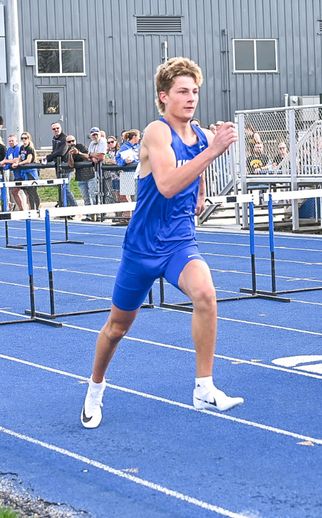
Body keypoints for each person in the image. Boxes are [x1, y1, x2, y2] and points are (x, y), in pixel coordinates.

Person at [81, 57, 242, 429]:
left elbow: (194, 172)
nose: (191, 98)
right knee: (117, 328)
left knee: (205, 294)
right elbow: (168, 185)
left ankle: (204, 386)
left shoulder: (199, 136)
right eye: (182, 92)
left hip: (179, 243)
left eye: (195, 92)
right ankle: (95, 389)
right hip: (142, 248)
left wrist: (201, 191)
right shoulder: (156, 132)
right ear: (163, 96)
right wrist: (214, 150)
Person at [44, 122, 78, 207]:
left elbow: (61, 152)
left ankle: (74, 207)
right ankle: (65, 207)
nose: (56, 130)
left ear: (61, 128)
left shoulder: (64, 138)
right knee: (61, 188)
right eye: (54, 129)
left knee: (65, 188)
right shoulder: (54, 139)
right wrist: (47, 159)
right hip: (58, 166)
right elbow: (54, 151)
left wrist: (48, 157)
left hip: (66, 166)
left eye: (57, 128)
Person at [15, 132, 40, 209]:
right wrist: (17, 162)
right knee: (28, 192)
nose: (23, 140)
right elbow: (20, 157)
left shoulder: (30, 148)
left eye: (25, 138)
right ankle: (32, 207)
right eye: (22, 138)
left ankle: (37, 207)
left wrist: (19, 164)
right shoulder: (22, 147)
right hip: (24, 172)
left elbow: (28, 160)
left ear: (28, 139)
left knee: (33, 191)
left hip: (31, 172)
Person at [1, 134, 26, 210]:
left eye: (12, 141)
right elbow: (6, 160)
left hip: (23, 174)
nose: (11, 142)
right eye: (9, 141)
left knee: (27, 192)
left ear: (16, 141)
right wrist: (6, 165)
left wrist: (6, 162)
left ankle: (32, 209)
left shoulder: (18, 148)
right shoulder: (9, 149)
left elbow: (15, 160)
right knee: (14, 192)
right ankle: (22, 208)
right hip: (17, 175)